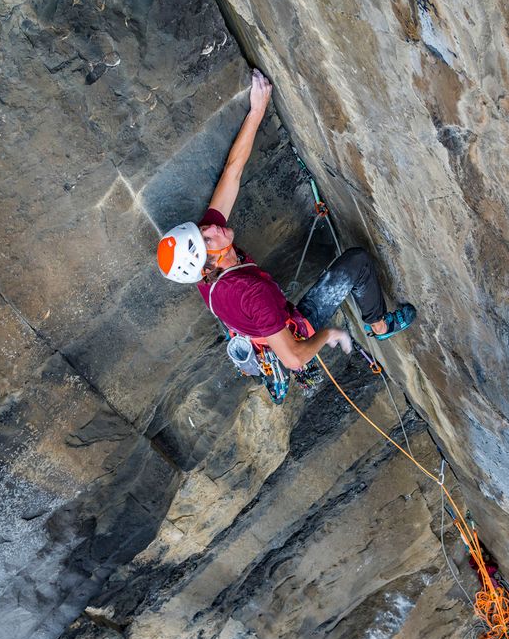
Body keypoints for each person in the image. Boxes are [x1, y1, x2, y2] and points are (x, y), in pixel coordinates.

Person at [156, 69, 416, 402]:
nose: (210, 227)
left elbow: (232, 172)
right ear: (210, 263)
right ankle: (380, 326)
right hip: (285, 326)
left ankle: (269, 359)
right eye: (207, 239)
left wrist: (258, 109)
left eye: (201, 229)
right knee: (358, 263)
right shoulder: (253, 294)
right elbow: (295, 353)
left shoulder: (206, 262)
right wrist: (328, 335)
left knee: (271, 335)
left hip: (256, 325)